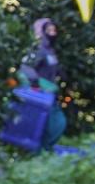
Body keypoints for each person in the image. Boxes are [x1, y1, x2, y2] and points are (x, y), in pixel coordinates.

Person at [17, 17, 65, 149]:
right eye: (49, 30)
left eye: (54, 30)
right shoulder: (37, 49)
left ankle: (46, 148)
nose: (53, 33)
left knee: (57, 123)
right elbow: (25, 68)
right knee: (47, 123)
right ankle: (38, 149)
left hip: (50, 93)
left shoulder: (50, 50)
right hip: (40, 93)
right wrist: (36, 83)